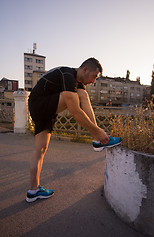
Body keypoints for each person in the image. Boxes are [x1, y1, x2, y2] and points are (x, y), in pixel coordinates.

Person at [26, 57, 121, 203]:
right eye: (94, 76)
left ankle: (33, 191)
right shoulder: (67, 76)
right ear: (85, 69)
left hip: (44, 109)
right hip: (39, 105)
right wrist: (98, 131)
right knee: (79, 95)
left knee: (40, 150)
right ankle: (98, 137)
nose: (94, 81)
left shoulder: (77, 82)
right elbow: (76, 113)